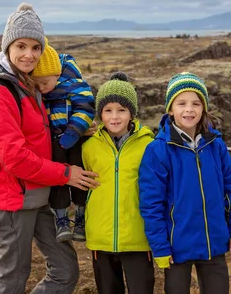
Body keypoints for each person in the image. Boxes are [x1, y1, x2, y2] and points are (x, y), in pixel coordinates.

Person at [0, 2, 99, 294]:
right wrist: (66, 174)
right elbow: (14, 158)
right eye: (21, 46)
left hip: (40, 195)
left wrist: (77, 128)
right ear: (8, 46)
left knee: (65, 271)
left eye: (36, 47)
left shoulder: (29, 85)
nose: (29, 54)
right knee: (12, 279)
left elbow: (42, 134)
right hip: (14, 200)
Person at [138, 72, 231, 294]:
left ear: (203, 108)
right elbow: (151, 204)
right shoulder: (157, 151)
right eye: (181, 103)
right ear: (170, 109)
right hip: (176, 248)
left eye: (196, 103)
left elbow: (230, 191)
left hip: (213, 243)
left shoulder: (217, 146)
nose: (189, 109)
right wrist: (160, 247)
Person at [82, 72, 156, 294]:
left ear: (132, 113)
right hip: (100, 238)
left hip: (139, 238)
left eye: (121, 110)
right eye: (108, 110)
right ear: (100, 114)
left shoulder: (149, 145)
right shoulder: (88, 146)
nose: (115, 117)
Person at [31, 39, 96, 242]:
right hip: (55, 144)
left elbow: (86, 108)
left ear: (57, 75)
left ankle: (80, 218)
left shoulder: (75, 85)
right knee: (58, 183)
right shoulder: (42, 93)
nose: (41, 88)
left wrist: (74, 132)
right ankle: (61, 221)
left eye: (44, 83)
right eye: (37, 84)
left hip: (75, 141)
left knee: (81, 179)